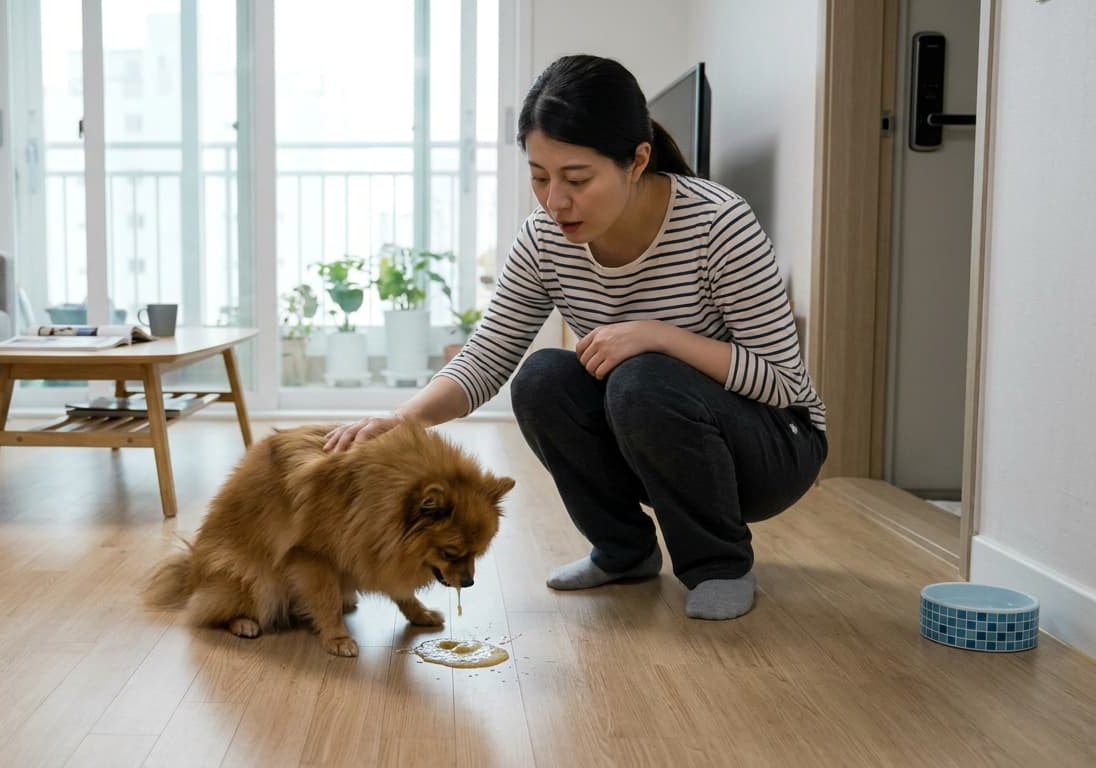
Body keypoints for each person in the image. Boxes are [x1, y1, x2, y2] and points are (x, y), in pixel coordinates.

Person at [324, 54, 827, 620]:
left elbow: (783, 383)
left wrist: (655, 335)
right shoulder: (545, 240)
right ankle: (623, 551)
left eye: (577, 180)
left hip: (774, 445)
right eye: (539, 176)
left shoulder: (718, 223)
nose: (554, 201)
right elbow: (487, 358)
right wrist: (404, 421)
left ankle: (719, 563)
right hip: (658, 430)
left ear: (637, 161)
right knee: (541, 378)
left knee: (641, 376)